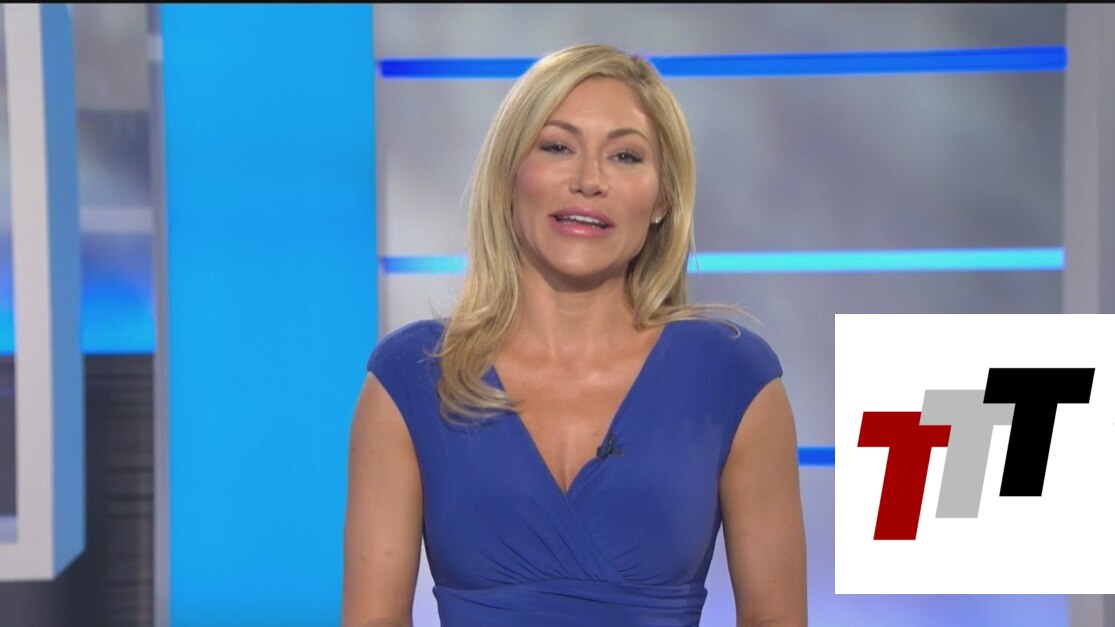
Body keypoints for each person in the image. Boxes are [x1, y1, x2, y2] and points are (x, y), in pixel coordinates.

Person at [342, 43, 807, 627]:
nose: (589, 181)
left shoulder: (734, 379)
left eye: (626, 156)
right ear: (510, 175)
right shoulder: (411, 377)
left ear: (662, 199)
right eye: (558, 147)